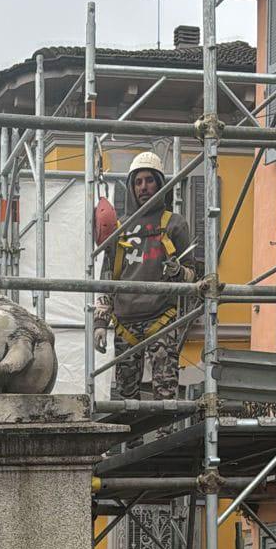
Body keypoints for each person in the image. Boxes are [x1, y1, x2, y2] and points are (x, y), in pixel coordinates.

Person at [94, 150, 196, 400]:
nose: (143, 187)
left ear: (160, 183)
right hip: (124, 322)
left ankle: (166, 438)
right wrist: (99, 322)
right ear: (131, 187)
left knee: (165, 394)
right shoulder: (120, 229)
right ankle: (133, 442)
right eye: (138, 182)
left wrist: (179, 272)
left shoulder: (174, 224)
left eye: (149, 180)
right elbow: (109, 278)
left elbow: (194, 276)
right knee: (127, 398)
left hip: (161, 319)